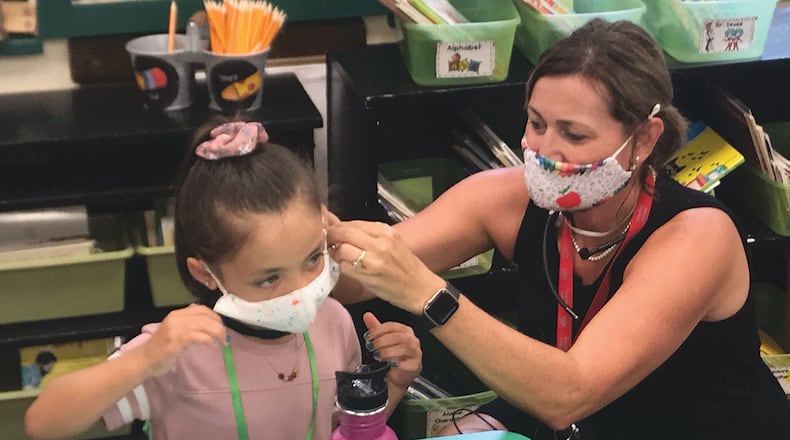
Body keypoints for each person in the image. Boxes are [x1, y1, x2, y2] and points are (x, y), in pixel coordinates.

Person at [326, 19, 790, 440]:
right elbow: (349, 280)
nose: (545, 150)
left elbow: (570, 392)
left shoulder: (697, 236)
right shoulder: (502, 198)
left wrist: (428, 293)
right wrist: (310, 244)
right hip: (568, 418)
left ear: (644, 140)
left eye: (575, 134)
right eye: (537, 123)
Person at [24, 121, 422, 440]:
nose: (300, 289)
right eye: (268, 279)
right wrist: (142, 362)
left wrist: (393, 384)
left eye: (313, 258)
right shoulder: (178, 350)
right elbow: (42, 422)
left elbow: (341, 429)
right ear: (205, 274)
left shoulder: (333, 323)